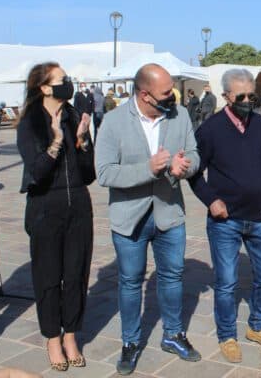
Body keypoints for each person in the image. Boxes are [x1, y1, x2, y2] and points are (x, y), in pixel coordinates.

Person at [95, 64, 201, 374]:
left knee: (173, 276)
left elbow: (194, 154)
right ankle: (130, 342)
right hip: (129, 218)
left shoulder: (180, 115)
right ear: (145, 95)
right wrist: (148, 169)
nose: (173, 96)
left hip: (170, 214)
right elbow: (104, 172)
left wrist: (185, 166)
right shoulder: (113, 121)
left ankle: (173, 335)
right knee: (130, 282)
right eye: (166, 92)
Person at [188, 69, 261, 363]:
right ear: (226, 96)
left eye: (251, 95)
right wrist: (211, 200)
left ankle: (257, 326)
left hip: (259, 218)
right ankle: (227, 336)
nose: (246, 101)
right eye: (240, 96)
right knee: (226, 282)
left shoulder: (260, 125)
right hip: (225, 222)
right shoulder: (210, 129)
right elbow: (193, 173)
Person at [16, 63, 95, 371]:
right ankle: (52, 338)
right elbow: (37, 172)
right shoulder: (30, 122)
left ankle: (71, 336)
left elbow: (89, 174)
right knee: (48, 277)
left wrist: (82, 140)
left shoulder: (74, 116)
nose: (68, 83)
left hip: (79, 205)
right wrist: (56, 141)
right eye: (62, 80)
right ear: (45, 87)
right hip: (45, 207)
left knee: (76, 274)